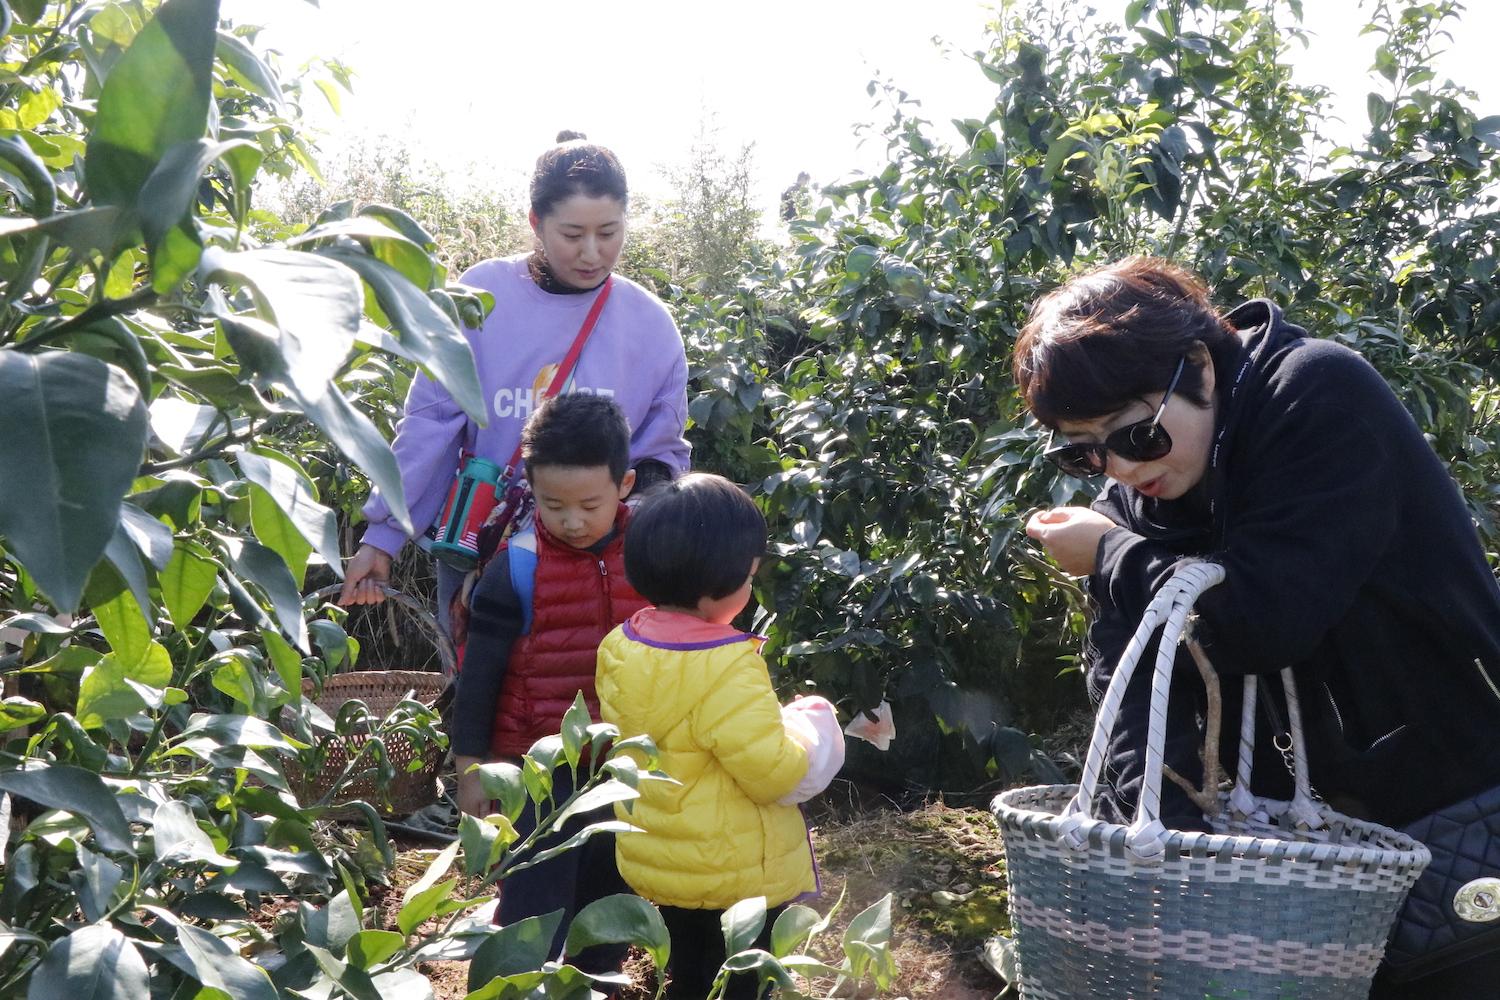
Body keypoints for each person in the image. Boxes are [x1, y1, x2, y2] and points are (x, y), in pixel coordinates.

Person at [1014, 256, 1500, 997]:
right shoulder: (1141, 497)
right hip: (1303, 858)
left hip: (1451, 804)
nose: (1118, 466)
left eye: (1134, 434)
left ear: (1201, 366)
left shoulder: (1317, 394)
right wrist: (1161, 856)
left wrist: (1111, 556)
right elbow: (1132, 674)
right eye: (1086, 451)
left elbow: (1263, 619)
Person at [338, 131, 690, 630]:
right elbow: (429, 426)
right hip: (479, 551)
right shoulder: (482, 298)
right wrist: (383, 537)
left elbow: (661, 458)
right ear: (536, 223)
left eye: (609, 232)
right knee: (476, 691)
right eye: (572, 234)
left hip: (595, 564)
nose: (592, 252)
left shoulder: (649, 326)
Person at [596, 474, 844, 1000]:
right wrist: (812, 727)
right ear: (715, 589)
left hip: (664, 862)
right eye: (749, 577)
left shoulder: (622, 643)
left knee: (689, 971)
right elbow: (773, 773)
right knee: (742, 981)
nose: (750, 588)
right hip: (735, 874)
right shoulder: (727, 665)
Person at [449, 393, 647, 968]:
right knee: (530, 910)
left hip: (621, 769)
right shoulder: (518, 565)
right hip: (539, 778)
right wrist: (470, 770)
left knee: (608, 908)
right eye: (552, 503)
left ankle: (595, 981)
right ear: (530, 489)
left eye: (590, 503)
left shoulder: (657, 555)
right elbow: (479, 678)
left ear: (625, 484)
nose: (572, 520)